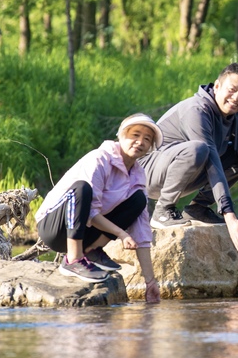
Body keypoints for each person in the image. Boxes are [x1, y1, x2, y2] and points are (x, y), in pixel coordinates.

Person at [140, 63, 238, 255]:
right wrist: (229, 214)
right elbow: (212, 161)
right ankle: (163, 210)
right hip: (147, 174)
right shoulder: (197, 110)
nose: (236, 98)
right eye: (231, 90)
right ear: (216, 87)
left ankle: (198, 208)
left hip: (183, 171)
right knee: (200, 149)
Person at [35, 114, 162, 303]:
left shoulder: (137, 176)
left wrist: (150, 281)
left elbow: (142, 232)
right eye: (135, 135)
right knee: (81, 188)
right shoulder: (99, 159)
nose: (140, 142)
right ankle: (73, 259)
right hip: (54, 226)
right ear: (121, 135)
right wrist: (121, 234)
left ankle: (92, 250)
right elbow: (90, 211)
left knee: (138, 200)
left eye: (147, 139)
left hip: (85, 231)